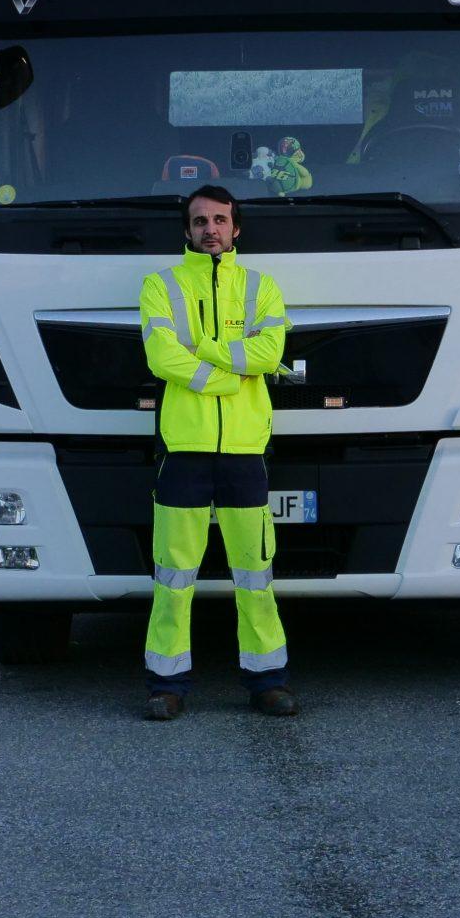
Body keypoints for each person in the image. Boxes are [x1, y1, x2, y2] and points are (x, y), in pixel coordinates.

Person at [138, 185, 295, 720]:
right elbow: (161, 357)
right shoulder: (160, 285)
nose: (210, 229)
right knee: (173, 576)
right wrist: (230, 377)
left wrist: (201, 350)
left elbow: (271, 352)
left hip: (245, 453)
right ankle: (166, 685)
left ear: (236, 229)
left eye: (220, 220)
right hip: (183, 451)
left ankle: (267, 680)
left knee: (254, 573)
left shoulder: (262, 287)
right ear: (186, 230)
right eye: (200, 220)